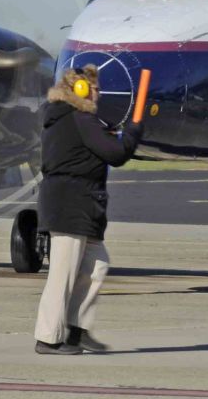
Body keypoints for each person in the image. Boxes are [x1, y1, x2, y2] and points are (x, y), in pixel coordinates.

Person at [33, 65, 144, 355]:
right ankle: (47, 338)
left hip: (83, 203)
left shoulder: (72, 119)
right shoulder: (80, 119)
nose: (98, 92)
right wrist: (133, 131)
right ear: (79, 90)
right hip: (71, 203)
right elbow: (116, 154)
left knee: (96, 265)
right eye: (93, 87)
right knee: (63, 273)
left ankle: (76, 331)